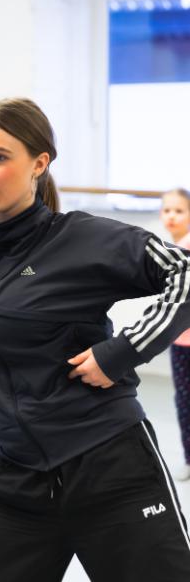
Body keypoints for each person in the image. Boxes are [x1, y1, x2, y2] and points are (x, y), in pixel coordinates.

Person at [0, 98, 190, 581]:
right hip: (19, 479)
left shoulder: (83, 239)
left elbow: (184, 273)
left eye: (0, 157)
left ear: (39, 164)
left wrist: (122, 351)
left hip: (112, 470)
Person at [161, 188, 190, 482]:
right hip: (181, 342)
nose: (171, 216)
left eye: (179, 210)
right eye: (167, 210)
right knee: (184, 400)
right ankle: (189, 457)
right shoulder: (172, 248)